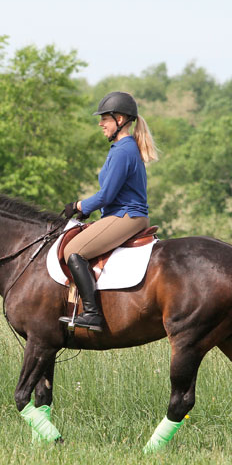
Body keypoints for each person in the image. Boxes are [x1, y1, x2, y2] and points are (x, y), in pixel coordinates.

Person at [59, 91, 158, 331]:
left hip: (126, 216)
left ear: (120, 119)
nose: (100, 123)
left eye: (105, 118)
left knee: (74, 251)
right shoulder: (120, 148)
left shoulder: (124, 150)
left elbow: (106, 196)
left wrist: (79, 206)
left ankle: (93, 314)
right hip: (119, 214)